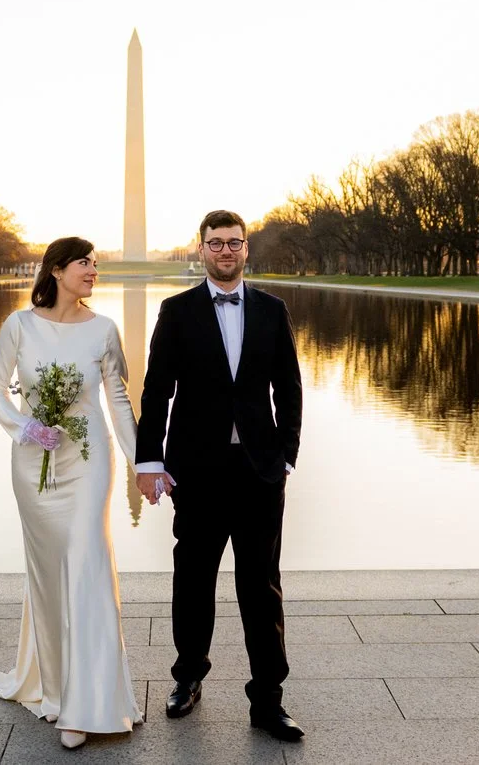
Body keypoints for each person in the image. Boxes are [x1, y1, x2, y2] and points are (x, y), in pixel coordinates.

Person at [134, 209, 304, 743]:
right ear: (202, 248)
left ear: (246, 249)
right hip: (197, 470)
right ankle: (187, 678)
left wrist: (287, 457)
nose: (225, 251)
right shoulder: (176, 311)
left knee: (262, 586)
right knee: (193, 579)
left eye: (234, 243)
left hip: (258, 470)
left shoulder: (272, 310)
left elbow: (290, 388)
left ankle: (268, 700)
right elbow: (156, 390)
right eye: (216, 243)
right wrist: (149, 460)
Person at [0, 236, 144, 750]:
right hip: (35, 465)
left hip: (88, 461)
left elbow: (118, 400)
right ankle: (57, 689)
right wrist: (25, 428)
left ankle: (87, 704)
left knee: (88, 565)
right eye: (83, 263)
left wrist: (143, 462)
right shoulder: (19, 326)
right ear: (56, 270)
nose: (93, 270)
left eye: (95, 263)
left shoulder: (104, 329)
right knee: (49, 576)